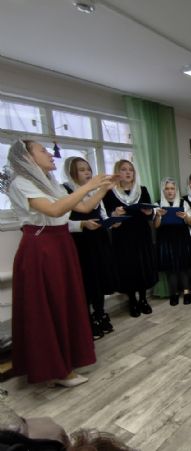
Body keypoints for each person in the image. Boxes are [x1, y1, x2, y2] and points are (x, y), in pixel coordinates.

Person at [5, 139, 116, 386]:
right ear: (27, 158)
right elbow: (54, 210)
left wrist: (103, 189)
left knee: (65, 303)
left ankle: (67, 360)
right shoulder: (20, 183)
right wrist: (89, 185)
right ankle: (58, 370)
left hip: (61, 244)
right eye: (43, 150)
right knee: (49, 306)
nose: (49, 154)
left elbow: (84, 207)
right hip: (41, 248)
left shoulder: (49, 182)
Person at [62, 157, 119, 340]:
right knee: (86, 280)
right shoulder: (65, 190)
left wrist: (112, 221)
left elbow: (102, 214)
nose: (87, 172)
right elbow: (62, 221)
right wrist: (82, 224)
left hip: (99, 239)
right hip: (81, 242)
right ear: (72, 173)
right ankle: (86, 319)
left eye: (88, 169)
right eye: (82, 170)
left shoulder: (95, 192)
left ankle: (100, 313)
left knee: (99, 278)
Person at [103, 160, 158, 318]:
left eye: (130, 170)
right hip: (122, 236)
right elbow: (106, 216)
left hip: (141, 234)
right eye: (123, 169)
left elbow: (149, 214)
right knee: (128, 267)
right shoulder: (110, 193)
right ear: (117, 172)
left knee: (142, 266)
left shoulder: (142, 190)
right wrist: (114, 214)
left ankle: (143, 299)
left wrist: (149, 212)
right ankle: (132, 300)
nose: (128, 172)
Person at [154, 177, 191, 306]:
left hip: (182, 238)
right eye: (167, 188)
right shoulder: (157, 204)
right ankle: (174, 294)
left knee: (183, 266)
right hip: (166, 240)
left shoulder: (183, 203)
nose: (170, 191)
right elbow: (156, 226)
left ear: (176, 190)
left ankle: (187, 293)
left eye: (172, 188)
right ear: (163, 190)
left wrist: (186, 216)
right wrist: (159, 215)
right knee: (171, 268)